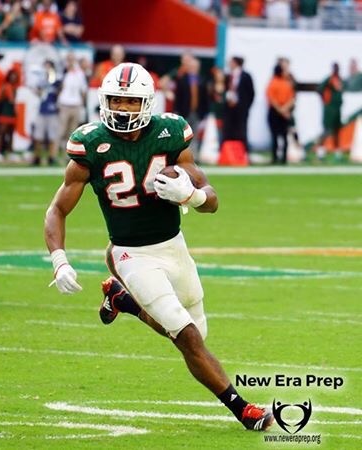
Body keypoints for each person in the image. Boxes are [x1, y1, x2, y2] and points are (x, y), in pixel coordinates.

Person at [44, 62, 274, 433]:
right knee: (186, 336)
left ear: (147, 103)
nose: (122, 109)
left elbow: (213, 199)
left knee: (195, 330)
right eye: (116, 100)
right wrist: (59, 261)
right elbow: (57, 209)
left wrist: (193, 195)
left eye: (131, 102)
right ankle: (242, 408)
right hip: (130, 253)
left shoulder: (169, 133)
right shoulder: (90, 144)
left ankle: (122, 301)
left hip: (173, 246)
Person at [223, 56, 255, 153]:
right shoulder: (228, 76)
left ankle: (243, 153)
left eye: (231, 62)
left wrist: (245, 106)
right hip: (229, 108)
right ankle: (228, 153)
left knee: (241, 130)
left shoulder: (246, 76)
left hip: (241, 109)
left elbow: (251, 93)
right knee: (228, 130)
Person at [266, 63, 295, 164]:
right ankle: (278, 158)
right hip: (279, 111)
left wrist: (283, 109)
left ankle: (280, 159)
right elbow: (272, 98)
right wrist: (282, 110)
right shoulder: (276, 82)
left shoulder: (284, 83)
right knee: (278, 136)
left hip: (281, 111)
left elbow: (291, 98)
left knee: (280, 136)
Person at [315, 62, 343, 160]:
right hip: (329, 109)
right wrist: (325, 100)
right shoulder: (329, 79)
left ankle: (337, 154)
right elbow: (319, 89)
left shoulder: (339, 79)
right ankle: (320, 153)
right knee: (326, 131)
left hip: (337, 109)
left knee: (337, 131)